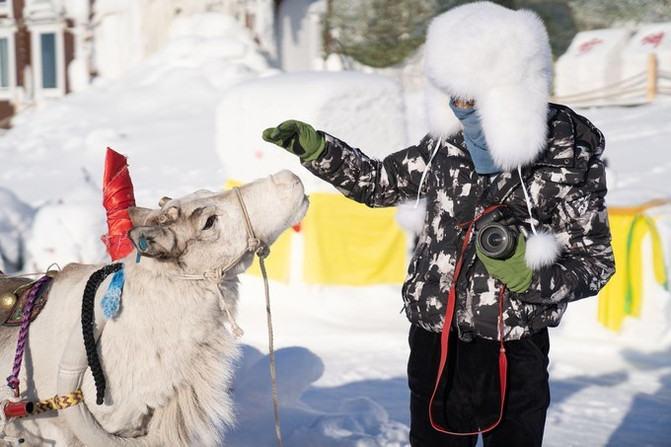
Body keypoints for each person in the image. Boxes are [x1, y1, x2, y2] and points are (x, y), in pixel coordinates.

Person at [262, 2, 615, 446]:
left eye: (471, 96)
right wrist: (319, 150)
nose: (461, 107)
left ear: (512, 91)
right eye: (453, 94)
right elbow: (378, 183)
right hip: (435, 339)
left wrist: (530, 276)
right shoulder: (445, 146)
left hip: (513, 348)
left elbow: (595, 262)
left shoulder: (566, 157)